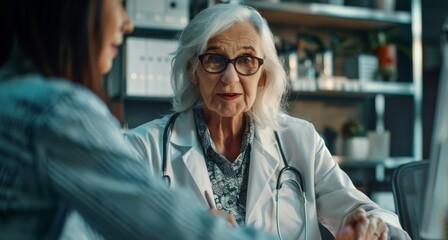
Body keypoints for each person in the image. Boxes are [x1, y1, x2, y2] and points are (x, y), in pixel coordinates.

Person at [125, 3, 411, 240]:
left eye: (247, 60)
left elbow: (365, 212)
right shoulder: (144, 149)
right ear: (193, 70)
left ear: (263, 75)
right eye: (214, 59)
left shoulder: (300, 141)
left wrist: (370, 227)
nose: (230, 77)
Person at [0, 0, 270, 239]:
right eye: (118, 4)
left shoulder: (11, 99)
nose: (127, 24)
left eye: (246, 60)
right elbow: (172, 229)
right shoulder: (58, 113)